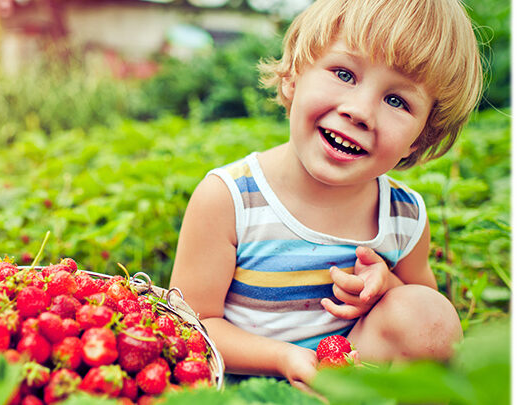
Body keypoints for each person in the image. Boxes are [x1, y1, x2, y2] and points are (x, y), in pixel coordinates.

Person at [168, 0, 483, 393]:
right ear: (294, 76)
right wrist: (282, 357)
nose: (361, 111)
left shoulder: (403, 217)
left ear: (419, 138)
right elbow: (189, 326)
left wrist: (387, 288)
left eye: (397, 101)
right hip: (246, 391)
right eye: (344, 73)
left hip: (346, 388)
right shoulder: (230, 199)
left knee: (431, 315)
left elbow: (426, 329)